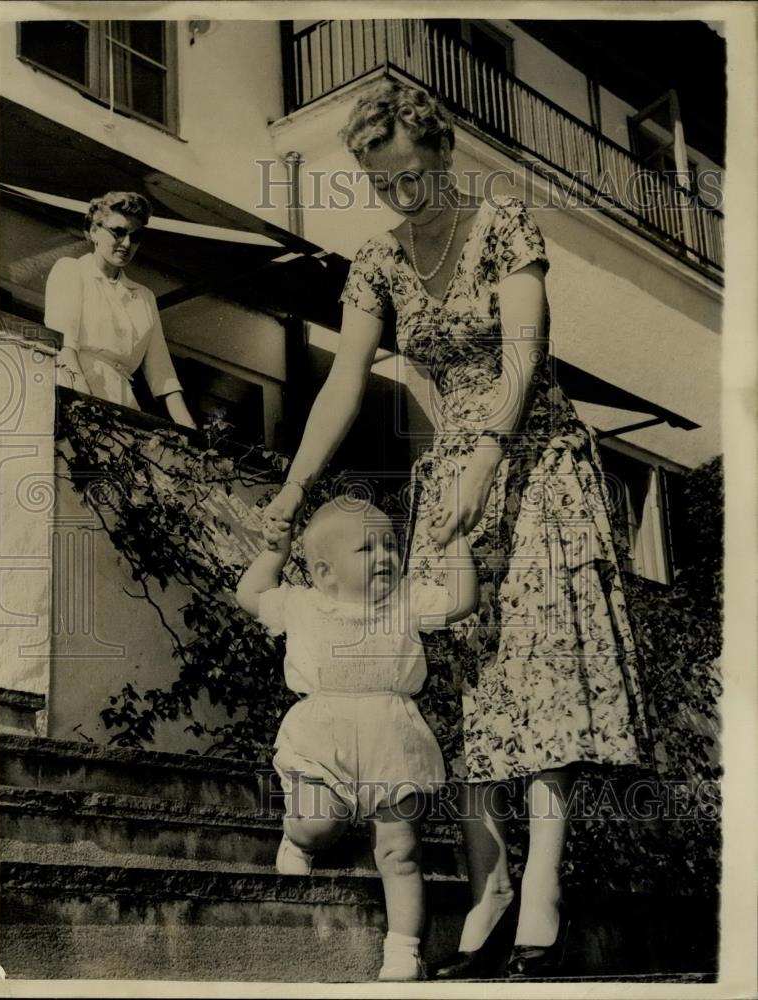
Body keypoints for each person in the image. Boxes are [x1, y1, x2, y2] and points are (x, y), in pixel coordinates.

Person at [261, 78, 651, 979]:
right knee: (469, 685)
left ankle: (543, 891)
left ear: (441, 155)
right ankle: (492, 885)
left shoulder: (503, 222)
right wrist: (291, 492)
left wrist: (485, 455)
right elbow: (344, 380)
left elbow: (525, 354)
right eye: (380, 182)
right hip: (449, 487)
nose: (401, 195)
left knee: (545, 675)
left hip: (536, 462)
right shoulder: (377, 263)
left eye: (411, 176)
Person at [236, 498, 478, 982]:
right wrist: (274, 552)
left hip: (393, 733)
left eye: (390, 544)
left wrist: (454, 542)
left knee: (400, 850)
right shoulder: (303, 603)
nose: (385, 555)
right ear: (325, 573)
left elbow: (461, 601)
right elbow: (250, 593)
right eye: (367, 548)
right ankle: (299, 838)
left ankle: (404, 948)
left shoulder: (406, 599)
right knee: (318, 825)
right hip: (323, 734)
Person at [44, 190, 196, 429]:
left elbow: (163, 377)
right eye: (118, 232)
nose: (127, 243)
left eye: (135, 237)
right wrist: (87, 407)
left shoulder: (144, 298)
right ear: (94, 231)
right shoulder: (71, 271)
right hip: (73, 396)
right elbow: (65, 348)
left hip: (123, 408)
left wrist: (193, 434)